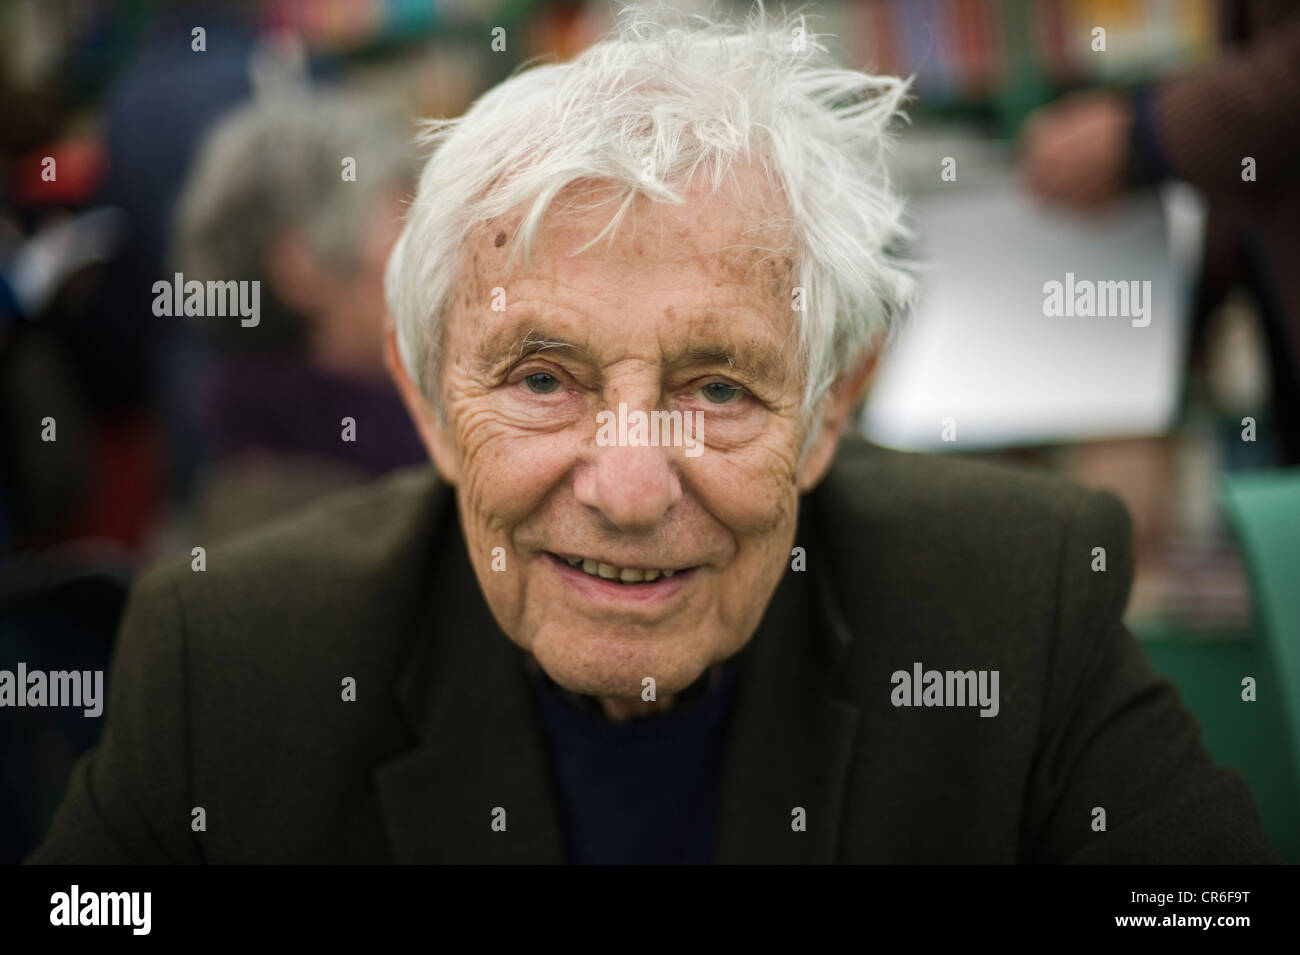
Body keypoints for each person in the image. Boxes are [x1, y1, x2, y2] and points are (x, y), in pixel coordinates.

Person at [27, 5, 1278, 864]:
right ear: (423, 400)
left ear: (832, 405)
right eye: (541, 378)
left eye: (722, 388)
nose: (627, 487)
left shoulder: (1012, 599)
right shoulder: (233, 657)